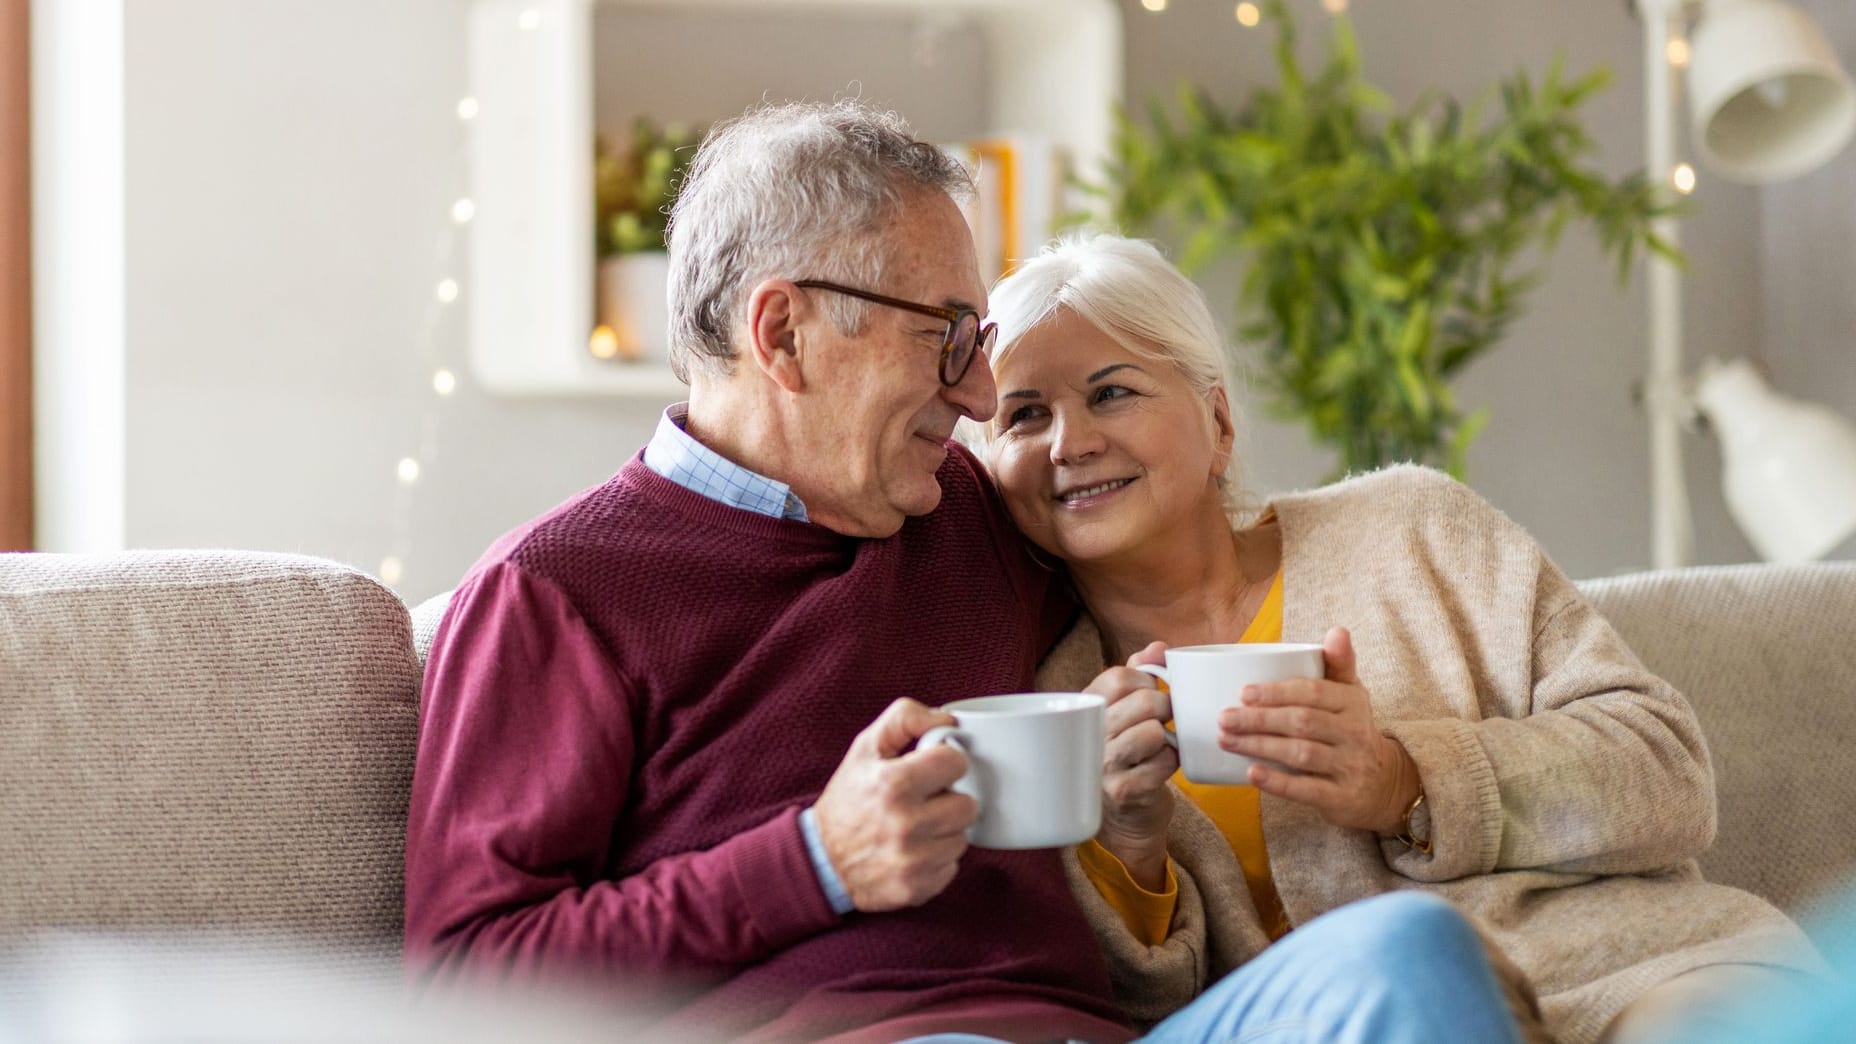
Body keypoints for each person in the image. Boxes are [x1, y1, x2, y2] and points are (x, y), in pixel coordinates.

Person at [403, 101, 1529, 1043]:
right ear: (784, 335)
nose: (983, 398)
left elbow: (1172, 529)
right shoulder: (555, 594)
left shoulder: (976, 519)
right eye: (945, 336)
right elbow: (468, 986)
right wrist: (812, 862)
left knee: (1407, 955)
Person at [974, 231, 1828, 1043]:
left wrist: (1407, 782)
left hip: (1635, 976)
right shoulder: (1055, 704)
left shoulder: (1410, 527)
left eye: (1111, 392)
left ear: (1219, 425)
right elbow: (1145, 1012)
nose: (1069, 443)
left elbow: (1666, 769)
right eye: (1023, 415)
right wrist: (1128, 841)